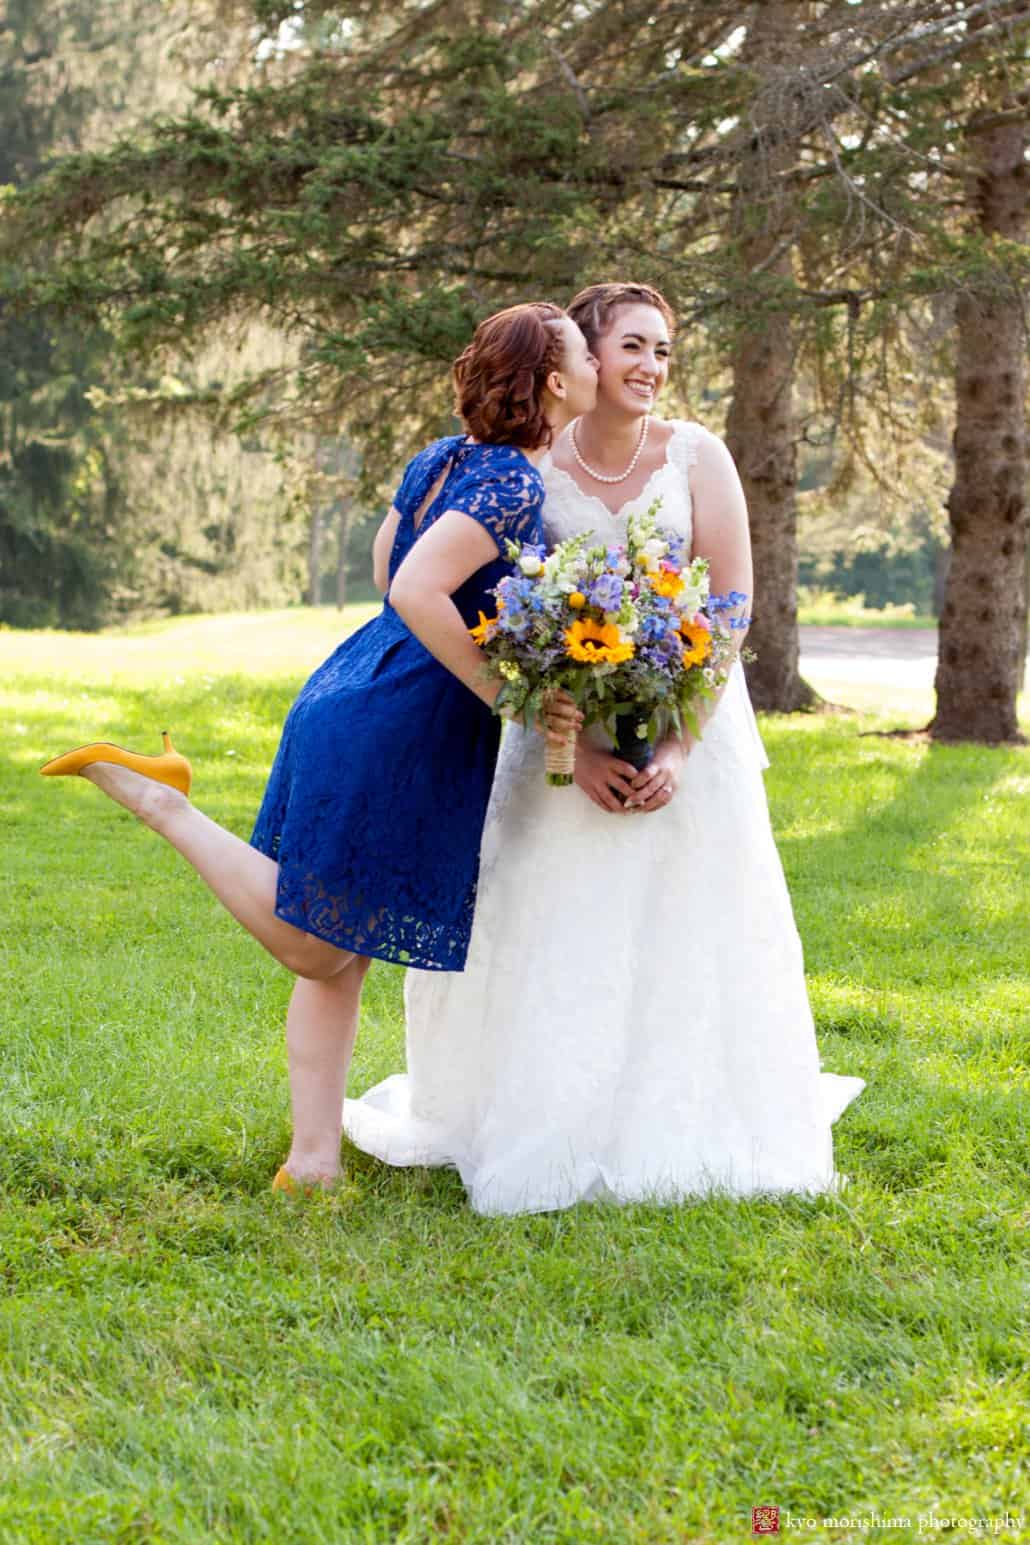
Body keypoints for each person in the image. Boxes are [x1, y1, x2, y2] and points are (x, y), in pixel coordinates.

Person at [40, 300, 599, 1191]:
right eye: (586, 356)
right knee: (314, 943)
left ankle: (312, 1162)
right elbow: (417, 586)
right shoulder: (515, 484)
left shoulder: (442, 458)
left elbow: (387, 566)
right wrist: (508, 692)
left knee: (342, 946)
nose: (601, 369)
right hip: (405, 715)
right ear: (557, 383)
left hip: (355, 684)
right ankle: (163, 801)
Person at [343, 281, 865, 1214]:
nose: (651, 367)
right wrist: (551, 716)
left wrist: (677, 745)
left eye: (664, 349)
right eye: (630, 346)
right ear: (577, 360)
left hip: (690, 714)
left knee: (688, 915)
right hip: (552, 729)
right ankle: (535, 1112)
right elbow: (426, 572)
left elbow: (731, 608)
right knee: (548, 914)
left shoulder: (699, 457)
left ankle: (676, 1116)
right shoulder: (530, 465)